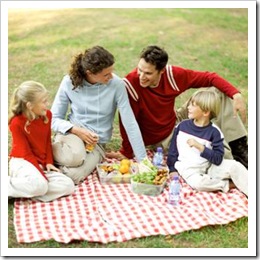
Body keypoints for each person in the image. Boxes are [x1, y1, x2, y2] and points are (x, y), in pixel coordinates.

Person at [110, 45, 248, 168]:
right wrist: (126, 151)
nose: (141, 76)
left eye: (148, 73)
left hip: (175, 119)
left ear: (162, 71)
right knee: (200, 148)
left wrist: (236, 94)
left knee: (218, 92)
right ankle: (228, 161)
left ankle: (239, 147)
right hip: (161, 138)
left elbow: (209, 77)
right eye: (139, 70)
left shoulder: (172, 76)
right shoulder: (130, 85)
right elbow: (127, 122)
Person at [51, 46, 147, 184]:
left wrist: (143, 161)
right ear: (90, 73)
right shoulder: (69, 82)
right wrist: (76, 130)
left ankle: (55, 165)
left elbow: (130, 123)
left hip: (97, 144)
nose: (111, 76)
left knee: (73, 176)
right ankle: (47, 152)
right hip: (73, 134)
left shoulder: (117, 85)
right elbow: (53, 119)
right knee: (75, 157)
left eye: (111, 72)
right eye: (106, 75)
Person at [167, 89, 248, 196]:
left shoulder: (215, 132)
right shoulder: (182, 127)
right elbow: (173, 151)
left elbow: (218, 159)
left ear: (205, 112)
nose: (188, 107)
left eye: (193, 105)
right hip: (189, 170)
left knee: (235, 166)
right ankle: (228, 184)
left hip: (210, 167)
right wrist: (172, 169)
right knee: (199, 184)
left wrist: (201, 148)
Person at [8, 81, 75, 202]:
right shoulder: (16, 123)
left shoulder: (47, 115)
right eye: (43, 102)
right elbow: (25, 153)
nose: (47, 104)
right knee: (40, 184)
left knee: (68, 185)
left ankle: (22, 193)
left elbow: (47, 142)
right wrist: (41, 174)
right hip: (22, 161)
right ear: (30, 105)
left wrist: (49, 162)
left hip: (40, 164)